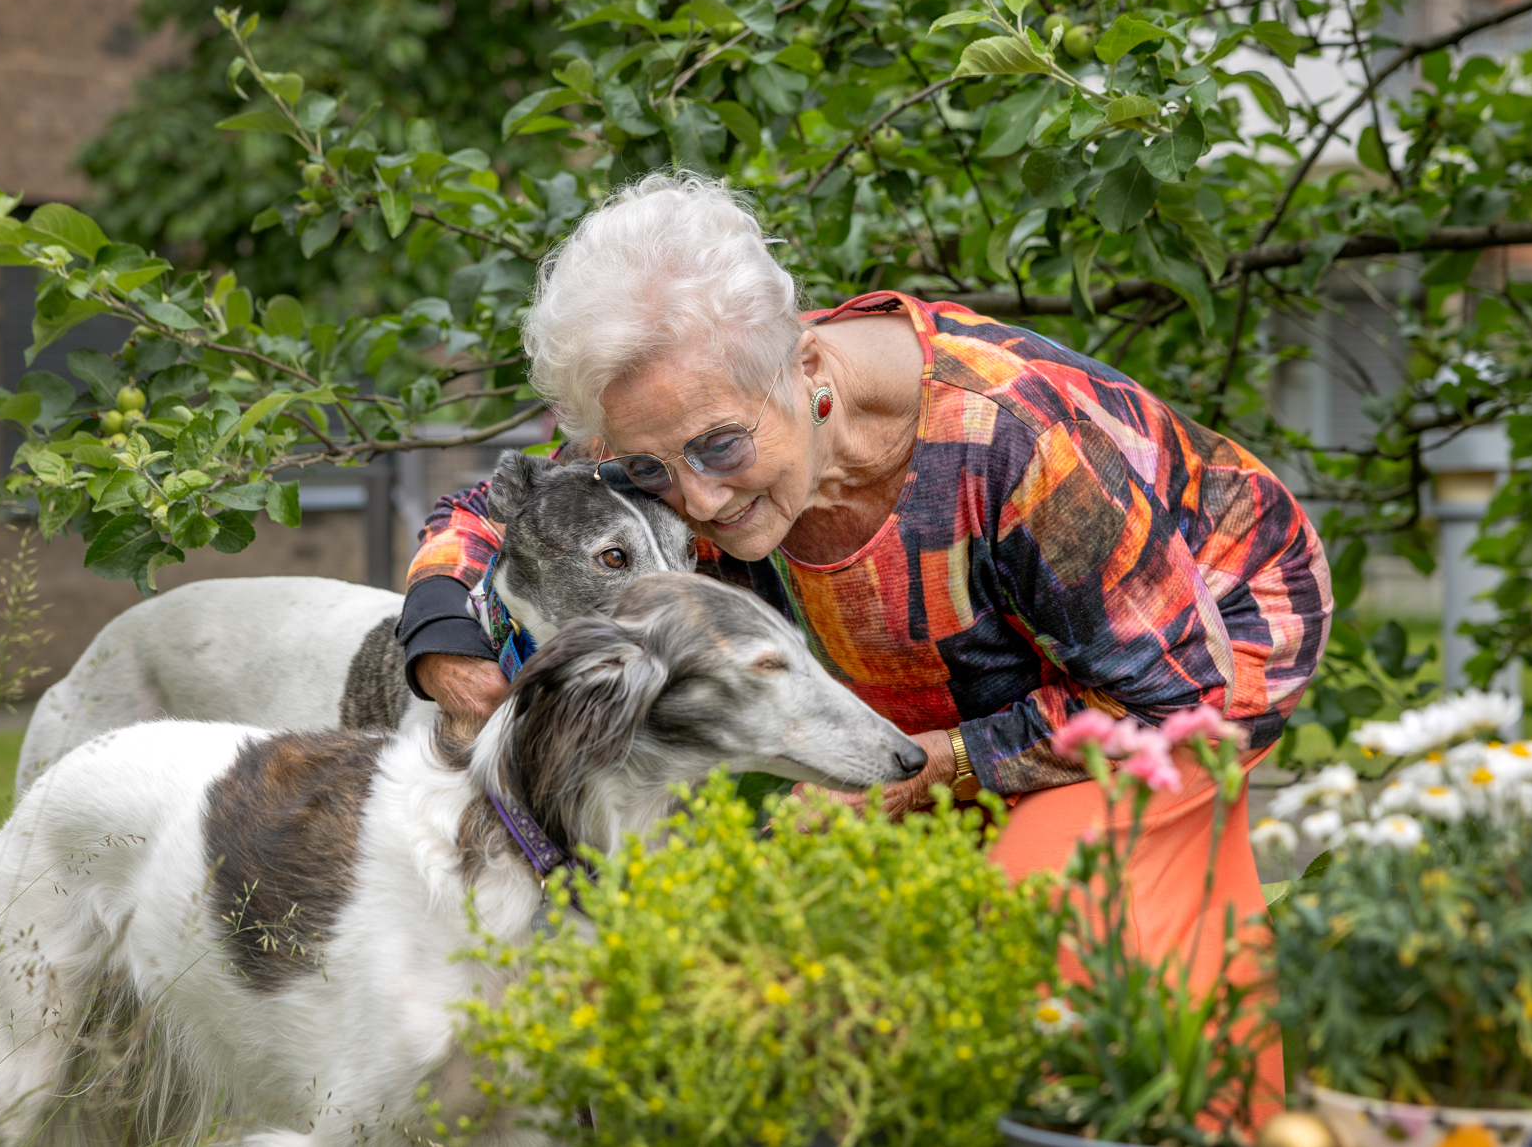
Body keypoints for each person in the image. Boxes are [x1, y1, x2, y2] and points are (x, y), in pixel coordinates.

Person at [399, 173, 1331, 1093]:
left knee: (1030, 955)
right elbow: (490, 510)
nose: (701, 498)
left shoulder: (1015, 436)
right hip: (956, 696)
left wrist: (938, 768)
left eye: (723, 446)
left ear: (808, 370)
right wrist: (445, 638)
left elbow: (1177, 695)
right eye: (650, 466)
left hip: (1190, 666)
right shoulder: (686, 401)